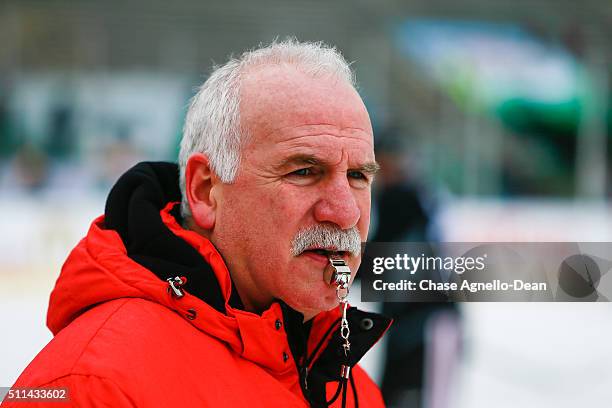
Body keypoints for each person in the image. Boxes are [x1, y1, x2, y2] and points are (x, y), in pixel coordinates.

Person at [3, 39, 391, 407]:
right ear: (205, 191)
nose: (346, 213)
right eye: (305, 171)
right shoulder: (95, 386)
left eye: (358, 176)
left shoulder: (352, 387)